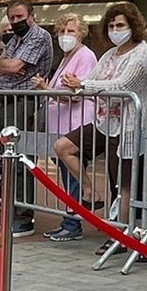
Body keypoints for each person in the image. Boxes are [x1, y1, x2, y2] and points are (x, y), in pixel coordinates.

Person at [54, 1, 147, 229]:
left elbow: (123, 85)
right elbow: (93, 79)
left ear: (133, 25)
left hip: (129, 125)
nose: (115, 30)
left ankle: (122, 231)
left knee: (123, 183)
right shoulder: (109, 54)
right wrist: (78, 85)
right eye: (111, 26)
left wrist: (83, 85)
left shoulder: (143, 52)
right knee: (63, 146)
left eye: (120, 25)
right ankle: (88, 191)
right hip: (103, 121)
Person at [0, 0, 55, 235]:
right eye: (12, 18)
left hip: (24, 101)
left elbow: (11, 67)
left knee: (20, 156)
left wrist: (5, 66)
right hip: (6, 99)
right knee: (4, 157)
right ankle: (5, 206)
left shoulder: (38, 36)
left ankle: (22, 214)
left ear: (31, 15)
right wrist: (5, 65)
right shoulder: (14, 39)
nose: (15, 22)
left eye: (19, 17)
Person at [45, 14, 100, 239]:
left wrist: (47, 92)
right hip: (60, 122)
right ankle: (69, 218)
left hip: (77, 121)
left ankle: (73, 222)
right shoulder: (66, 57)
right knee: (67, 173)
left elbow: (77, 92)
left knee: (74, 171)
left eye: (71, 31)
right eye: (62, 31)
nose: (65, 36)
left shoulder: (85, 56)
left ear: (82, 33)